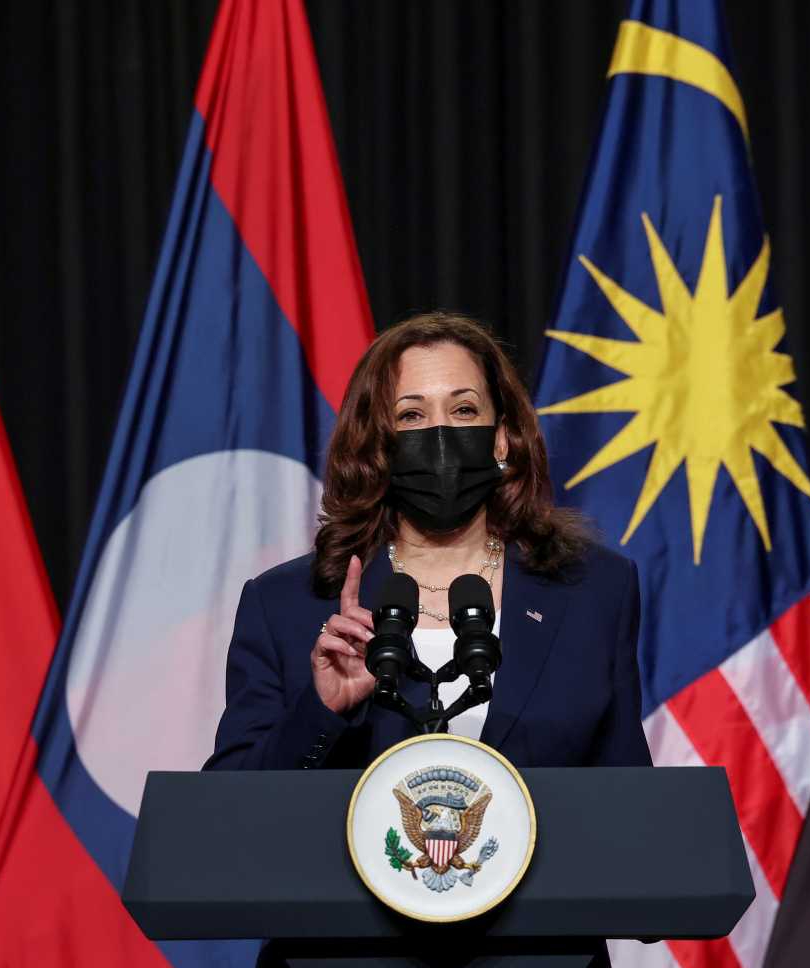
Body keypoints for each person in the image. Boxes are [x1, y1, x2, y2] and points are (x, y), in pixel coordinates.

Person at [203, 311, 651, 771]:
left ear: (501, 439)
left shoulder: (594, 589)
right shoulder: (286, 603)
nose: (441, 437)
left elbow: (629, 799)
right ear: (378, 445)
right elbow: (229, 807)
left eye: (463, 410)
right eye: (410, 415)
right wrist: (321, 710)